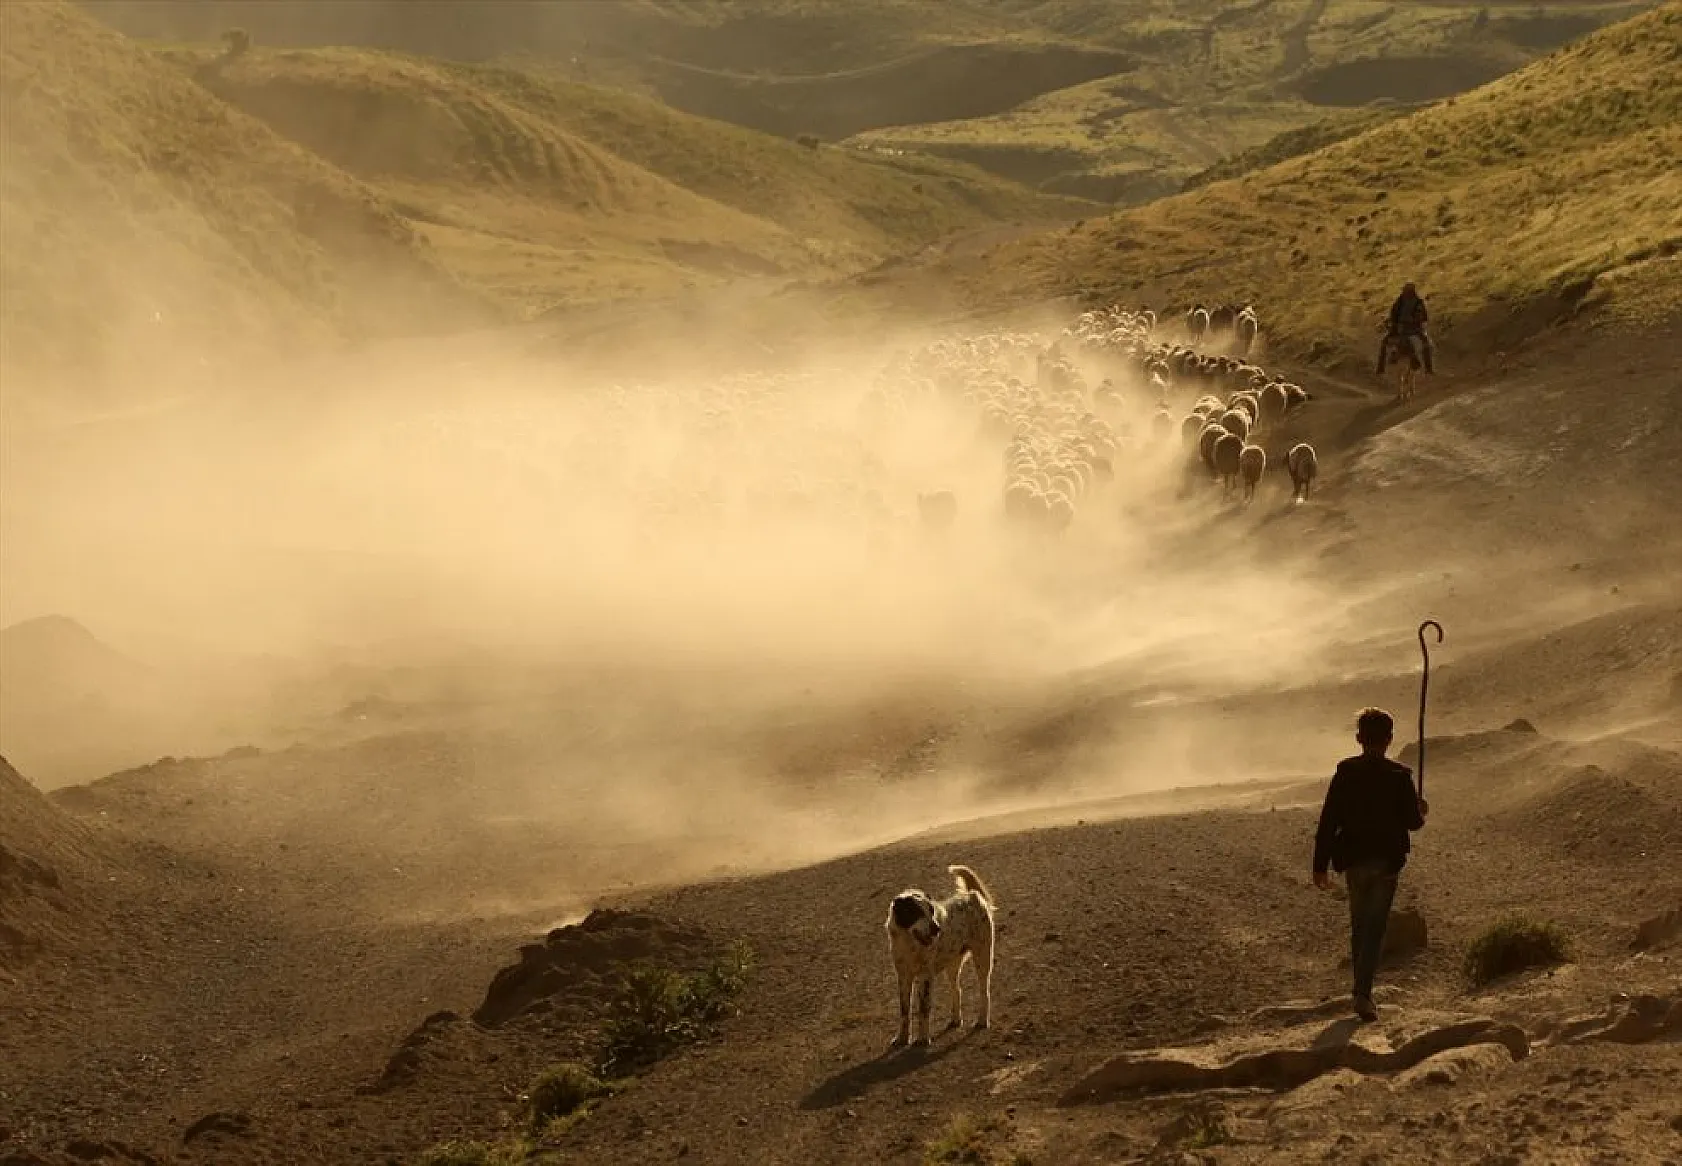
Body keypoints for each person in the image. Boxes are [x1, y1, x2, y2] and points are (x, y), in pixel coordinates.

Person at [1312, 707, 1428, 1022]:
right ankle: (1363, 994)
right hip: (1386, 863)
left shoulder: (1346, 773)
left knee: (1360, 926)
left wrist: (1319, 865)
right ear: (1389, 739)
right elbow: (1413, 823)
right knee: (1374, 929)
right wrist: (1420, 809)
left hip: (1353, 860)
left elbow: (1329, 820)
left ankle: (1359, 991)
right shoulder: (1399, 776)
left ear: (1359, 738)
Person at [1377, 282, 1435, 376]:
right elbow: (1393, 314)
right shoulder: (1399, 302)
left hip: (1414, 329)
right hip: (1400, 328)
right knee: (1384, 342)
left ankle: (1428, 369)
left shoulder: (1418, 302)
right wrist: (1392, 324)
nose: (1406, 293)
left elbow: (1423, 317)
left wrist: (1413, 321)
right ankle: (1380, 369)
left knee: (1426, 344)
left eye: (1407, 291)